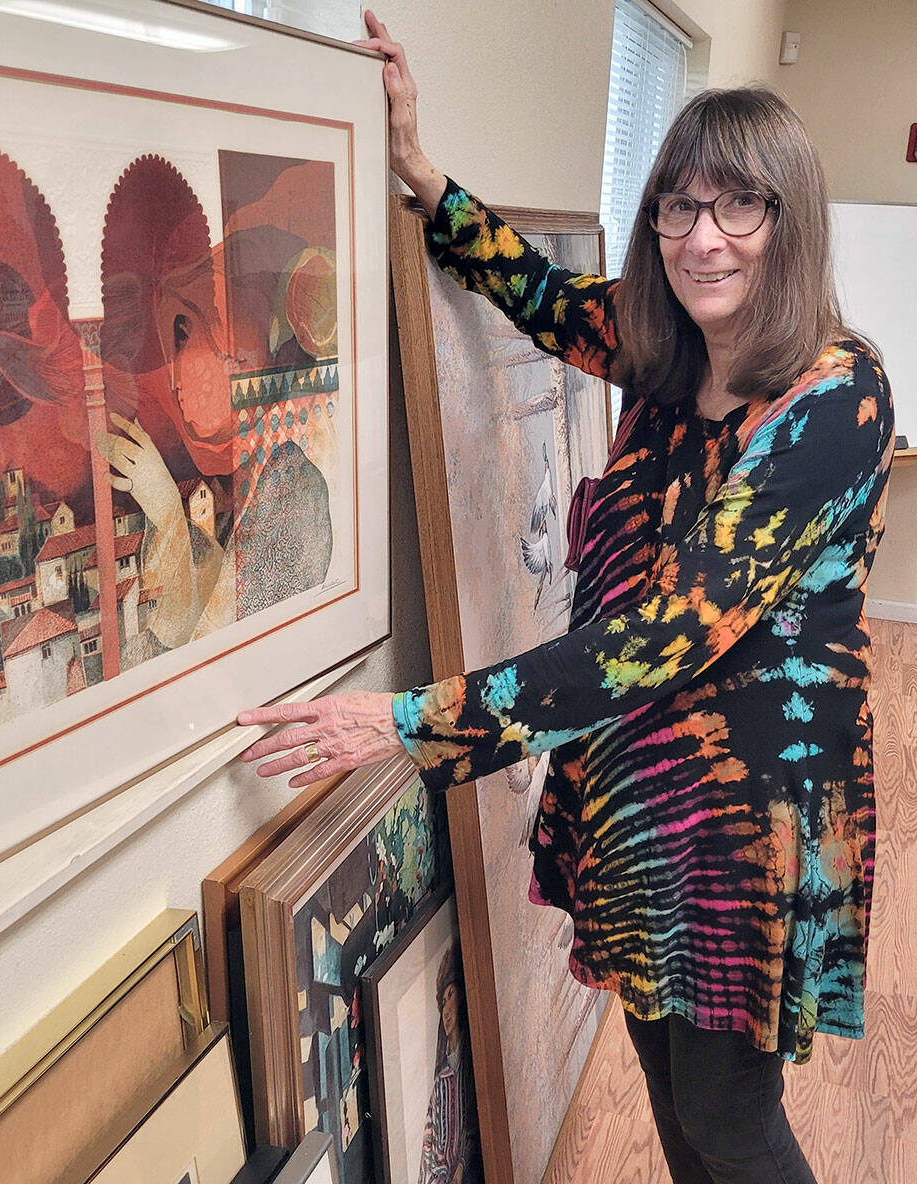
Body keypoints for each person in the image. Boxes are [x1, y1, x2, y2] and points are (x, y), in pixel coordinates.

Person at [237, 12, 892, 1184]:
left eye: (737, 207)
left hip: (744, 813)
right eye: (677, 206)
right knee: (665, 1080)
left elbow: (657, 637)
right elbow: (536, 294)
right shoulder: (669, 342)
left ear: (787, 221)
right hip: (632, 777)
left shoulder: (833, 396)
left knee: (727, 1116)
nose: (701, 237)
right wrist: (416, 167)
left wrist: (403, 719)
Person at [417, 944, 479, 1184]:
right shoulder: (440, 1080)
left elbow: (473, 1125)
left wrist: (461, 1165)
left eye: (451, 995)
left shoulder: (472, 1060)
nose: (446, 1010)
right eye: (442, 1002)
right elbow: (430, 1145)